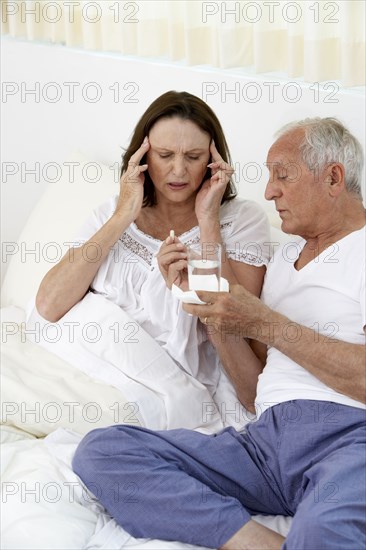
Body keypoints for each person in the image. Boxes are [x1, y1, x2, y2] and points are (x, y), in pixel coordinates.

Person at [72, 117, 366, 549]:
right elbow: (252, 393)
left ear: (333, 177)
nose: (269, 192)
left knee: (322, 531)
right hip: (264, 446)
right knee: (103, 452)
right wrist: (213, 314)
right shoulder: (284, 260)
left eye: (282, 176)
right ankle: (258, 542)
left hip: (348, 441)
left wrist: (263, 320)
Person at [33, 90, 270, 419]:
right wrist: (122, 215)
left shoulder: (242, 220)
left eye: (193, 156)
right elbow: (48, 305)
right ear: (142, 156)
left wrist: (208, 221)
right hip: (79, 368)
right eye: (164, 154)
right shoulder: (111, 214)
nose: (178, 170)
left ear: (214, 159)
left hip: (160, 390)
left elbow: (241, 333)